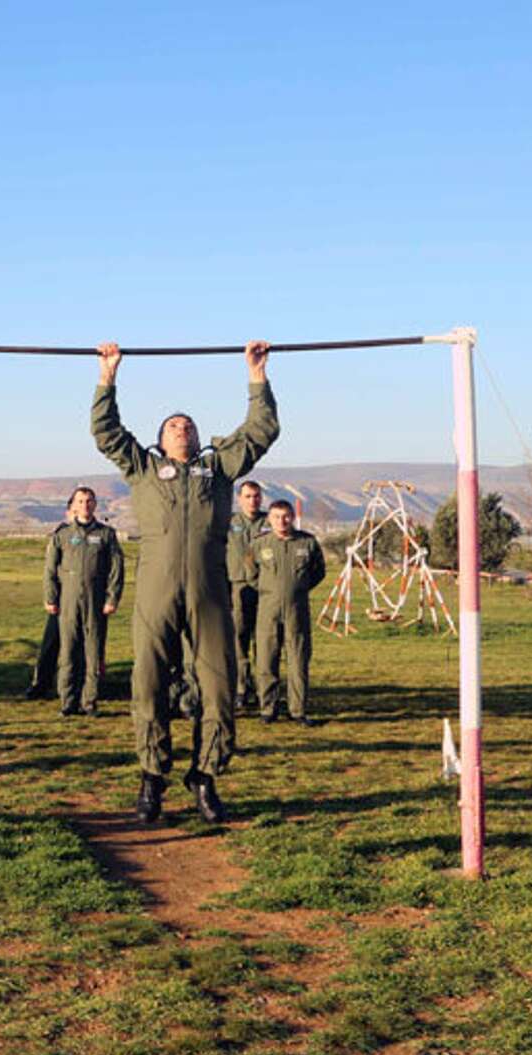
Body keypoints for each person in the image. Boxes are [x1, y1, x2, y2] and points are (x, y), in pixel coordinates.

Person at [93, 340, 278, 825]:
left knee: (218, 684)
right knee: (149, 682)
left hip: (211, 591)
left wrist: (256, 376)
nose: (183, 429)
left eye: (189, 425)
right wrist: (108, 377)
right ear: (160, 438)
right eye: (174, 426)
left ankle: (206, 777)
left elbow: (261, 431)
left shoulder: (216, 469)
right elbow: (107, 432)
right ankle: (152, 776)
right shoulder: (144, 468)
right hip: (156, 591)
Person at [43, 486, 125, 716]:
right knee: (68, 652)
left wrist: (112, 598)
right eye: (81, 501)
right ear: (73, 505)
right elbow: (50, 569)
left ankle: (89, 702)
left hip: (96, 600)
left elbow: (116, 569)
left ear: (95, 504)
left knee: (94, 652)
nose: (85, 504)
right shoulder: (63, 534)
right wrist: (51, 598)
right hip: (68, 600)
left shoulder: (106, 534)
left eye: (89, 500)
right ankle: (67, 702)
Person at [252, 499, 327, 725]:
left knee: (298, 660)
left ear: (292, 517)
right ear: (269, 519)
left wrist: (299, 588)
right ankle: (268, 708)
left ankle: (298, 710)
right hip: (268, 610)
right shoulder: (260, 544)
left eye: (285, 516)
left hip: (297, 611)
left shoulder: (307, 542)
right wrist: (269, 590)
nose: (281, 521)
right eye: (276, 517)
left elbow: (318, 572)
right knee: (266, 659)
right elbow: (250, 571)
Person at [227, 480, 266, 709]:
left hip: (264, 588)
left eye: (257, 496)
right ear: (239, 499)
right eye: (248, 496)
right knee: (239, 639)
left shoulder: (269, 522)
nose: (253, 500)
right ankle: (241, 687)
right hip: (238, 587)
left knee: (263, 640)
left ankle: (264, 689)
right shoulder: (229, 523)